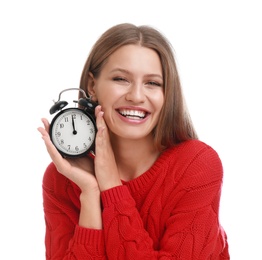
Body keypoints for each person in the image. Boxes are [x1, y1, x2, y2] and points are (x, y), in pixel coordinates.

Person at [38, 23, 230, 259]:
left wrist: (110, 187)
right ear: (92, 86)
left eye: (153, 83)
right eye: (121, 79)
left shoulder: (196, 166)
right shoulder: (63, 178)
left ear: (166, 94)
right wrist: (90, 192)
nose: (137, 96)